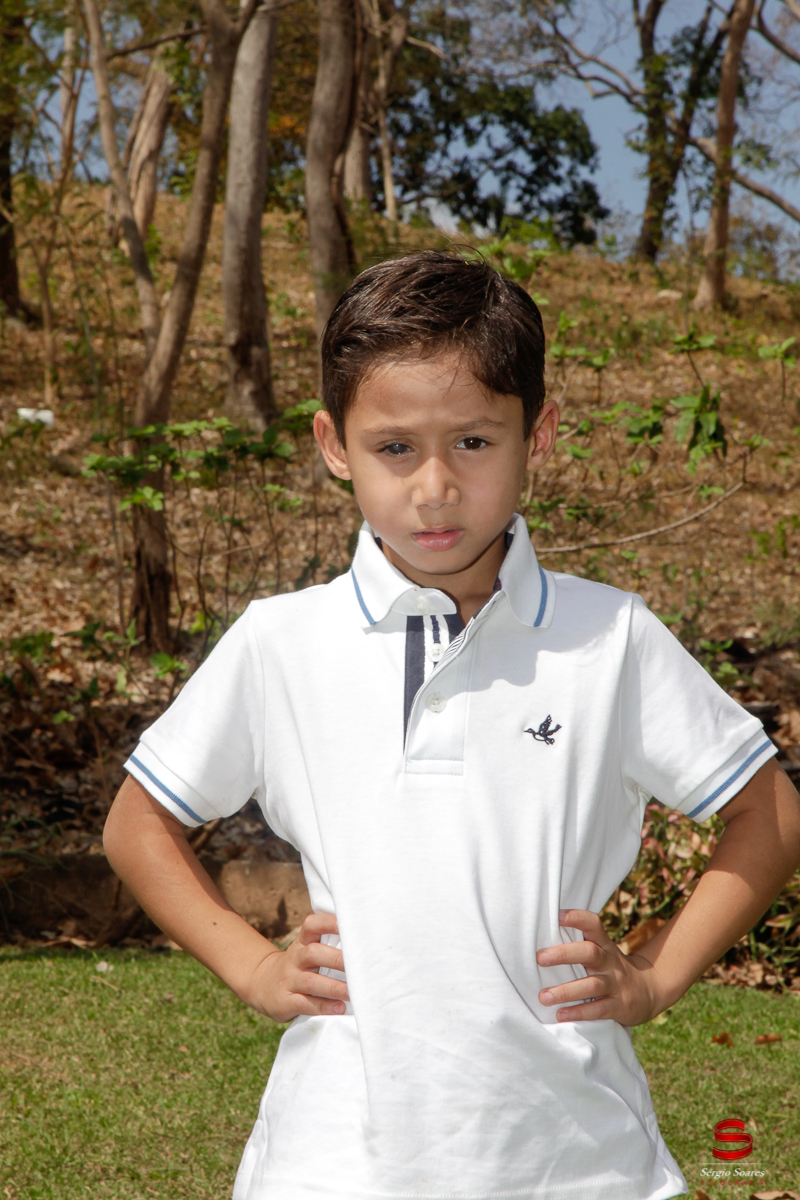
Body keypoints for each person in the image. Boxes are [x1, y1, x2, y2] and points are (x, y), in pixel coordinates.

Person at [104, 250, 800, 1200]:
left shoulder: (612, 636)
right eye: (395, 447)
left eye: (473, 441)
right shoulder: (281, 641)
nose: (433, 486)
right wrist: (253, 967)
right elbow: (137, 824)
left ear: (537, 435)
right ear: (333, 445)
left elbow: (771, 814)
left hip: (578, 1162)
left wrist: (653, 978)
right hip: (332, 1162)